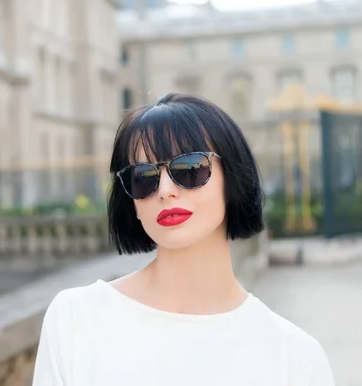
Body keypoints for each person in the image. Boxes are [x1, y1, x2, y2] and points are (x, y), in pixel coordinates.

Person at [32, 93, 335, 386]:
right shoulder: (76, 320)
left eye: (189, 169)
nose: (164, 189)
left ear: (231, 179)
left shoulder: (295, 358)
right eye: (143, 177)